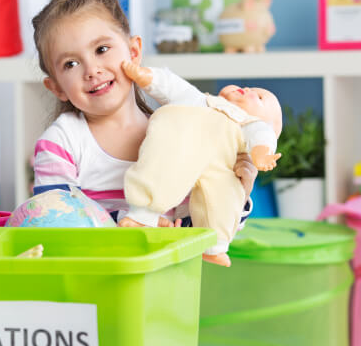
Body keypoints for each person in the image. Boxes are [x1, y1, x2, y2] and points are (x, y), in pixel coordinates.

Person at [31, 0, 257, 346]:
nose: (91, 69)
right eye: (70, 64)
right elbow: (53, 224)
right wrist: (124, 234)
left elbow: (210, 214)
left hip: (159, 315)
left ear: (133, 52)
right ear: (54, 85)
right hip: (85, 314)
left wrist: (240, 181)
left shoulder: (178, 129)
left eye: (102, 49)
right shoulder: (63, 141)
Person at [118, 61, 282, 267]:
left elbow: (262, 135)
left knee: (224, 195)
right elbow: (173, 86)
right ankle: (142, 215)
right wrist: (148, 77)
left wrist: (261, 154)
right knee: (160, 173)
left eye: (259, 97)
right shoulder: (202, 101)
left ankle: (216, 246)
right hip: (180, 145)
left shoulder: (248, 124)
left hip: (219, 165)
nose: (249, 89)